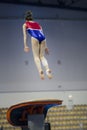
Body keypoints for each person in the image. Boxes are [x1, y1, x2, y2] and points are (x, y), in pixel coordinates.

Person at [22, 10, 52, 80]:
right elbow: (43, 34)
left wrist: (25, 45)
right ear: (32, 18)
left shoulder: (25, 24)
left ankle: (40, 71)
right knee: (42, 56)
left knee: (36, 57)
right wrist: (46, 47)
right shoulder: (38, 24)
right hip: (43, 38)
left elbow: (25, 36)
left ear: (26, 19)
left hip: (34, 38)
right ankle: (47, 70)